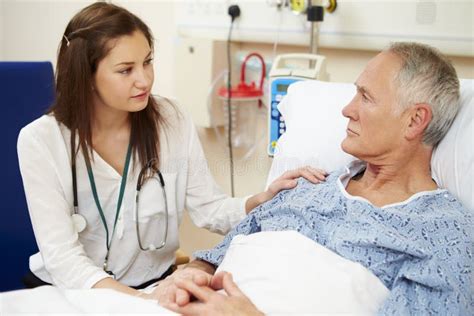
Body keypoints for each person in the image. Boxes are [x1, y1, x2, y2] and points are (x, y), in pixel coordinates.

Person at [17, 2, 326, 297]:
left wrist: (260, 199)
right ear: (87, 76)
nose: (145, 80)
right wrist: (135, 302)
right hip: (71, 292)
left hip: (155, 285)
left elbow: (209, 210)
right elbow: (63, 258)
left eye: (148, 62)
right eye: (126, 70)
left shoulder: (171, 119)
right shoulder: (41, 141)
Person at [155, 42, 473, 315]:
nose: (347, 110)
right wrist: (188, 277)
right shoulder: (307, 185)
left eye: (366, 97)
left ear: (415, 120)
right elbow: (212, 259)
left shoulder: (442, 235)